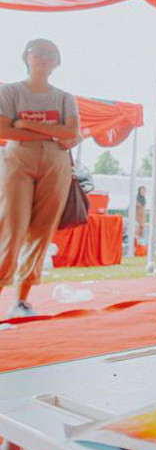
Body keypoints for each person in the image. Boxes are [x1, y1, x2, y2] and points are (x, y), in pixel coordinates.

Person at [0, 39, 81, 318]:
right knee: (11, 228)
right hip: (18, 160)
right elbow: (4, 131)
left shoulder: (64, 97)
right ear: (26, 57)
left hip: (55, 161)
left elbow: (74, 135)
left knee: (42, 231)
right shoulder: (10, 92)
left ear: (56, 62)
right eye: (38, 53)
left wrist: (25, 123)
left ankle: (21, 299)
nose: (44, 58)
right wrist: (51, 131)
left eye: (50, 55)